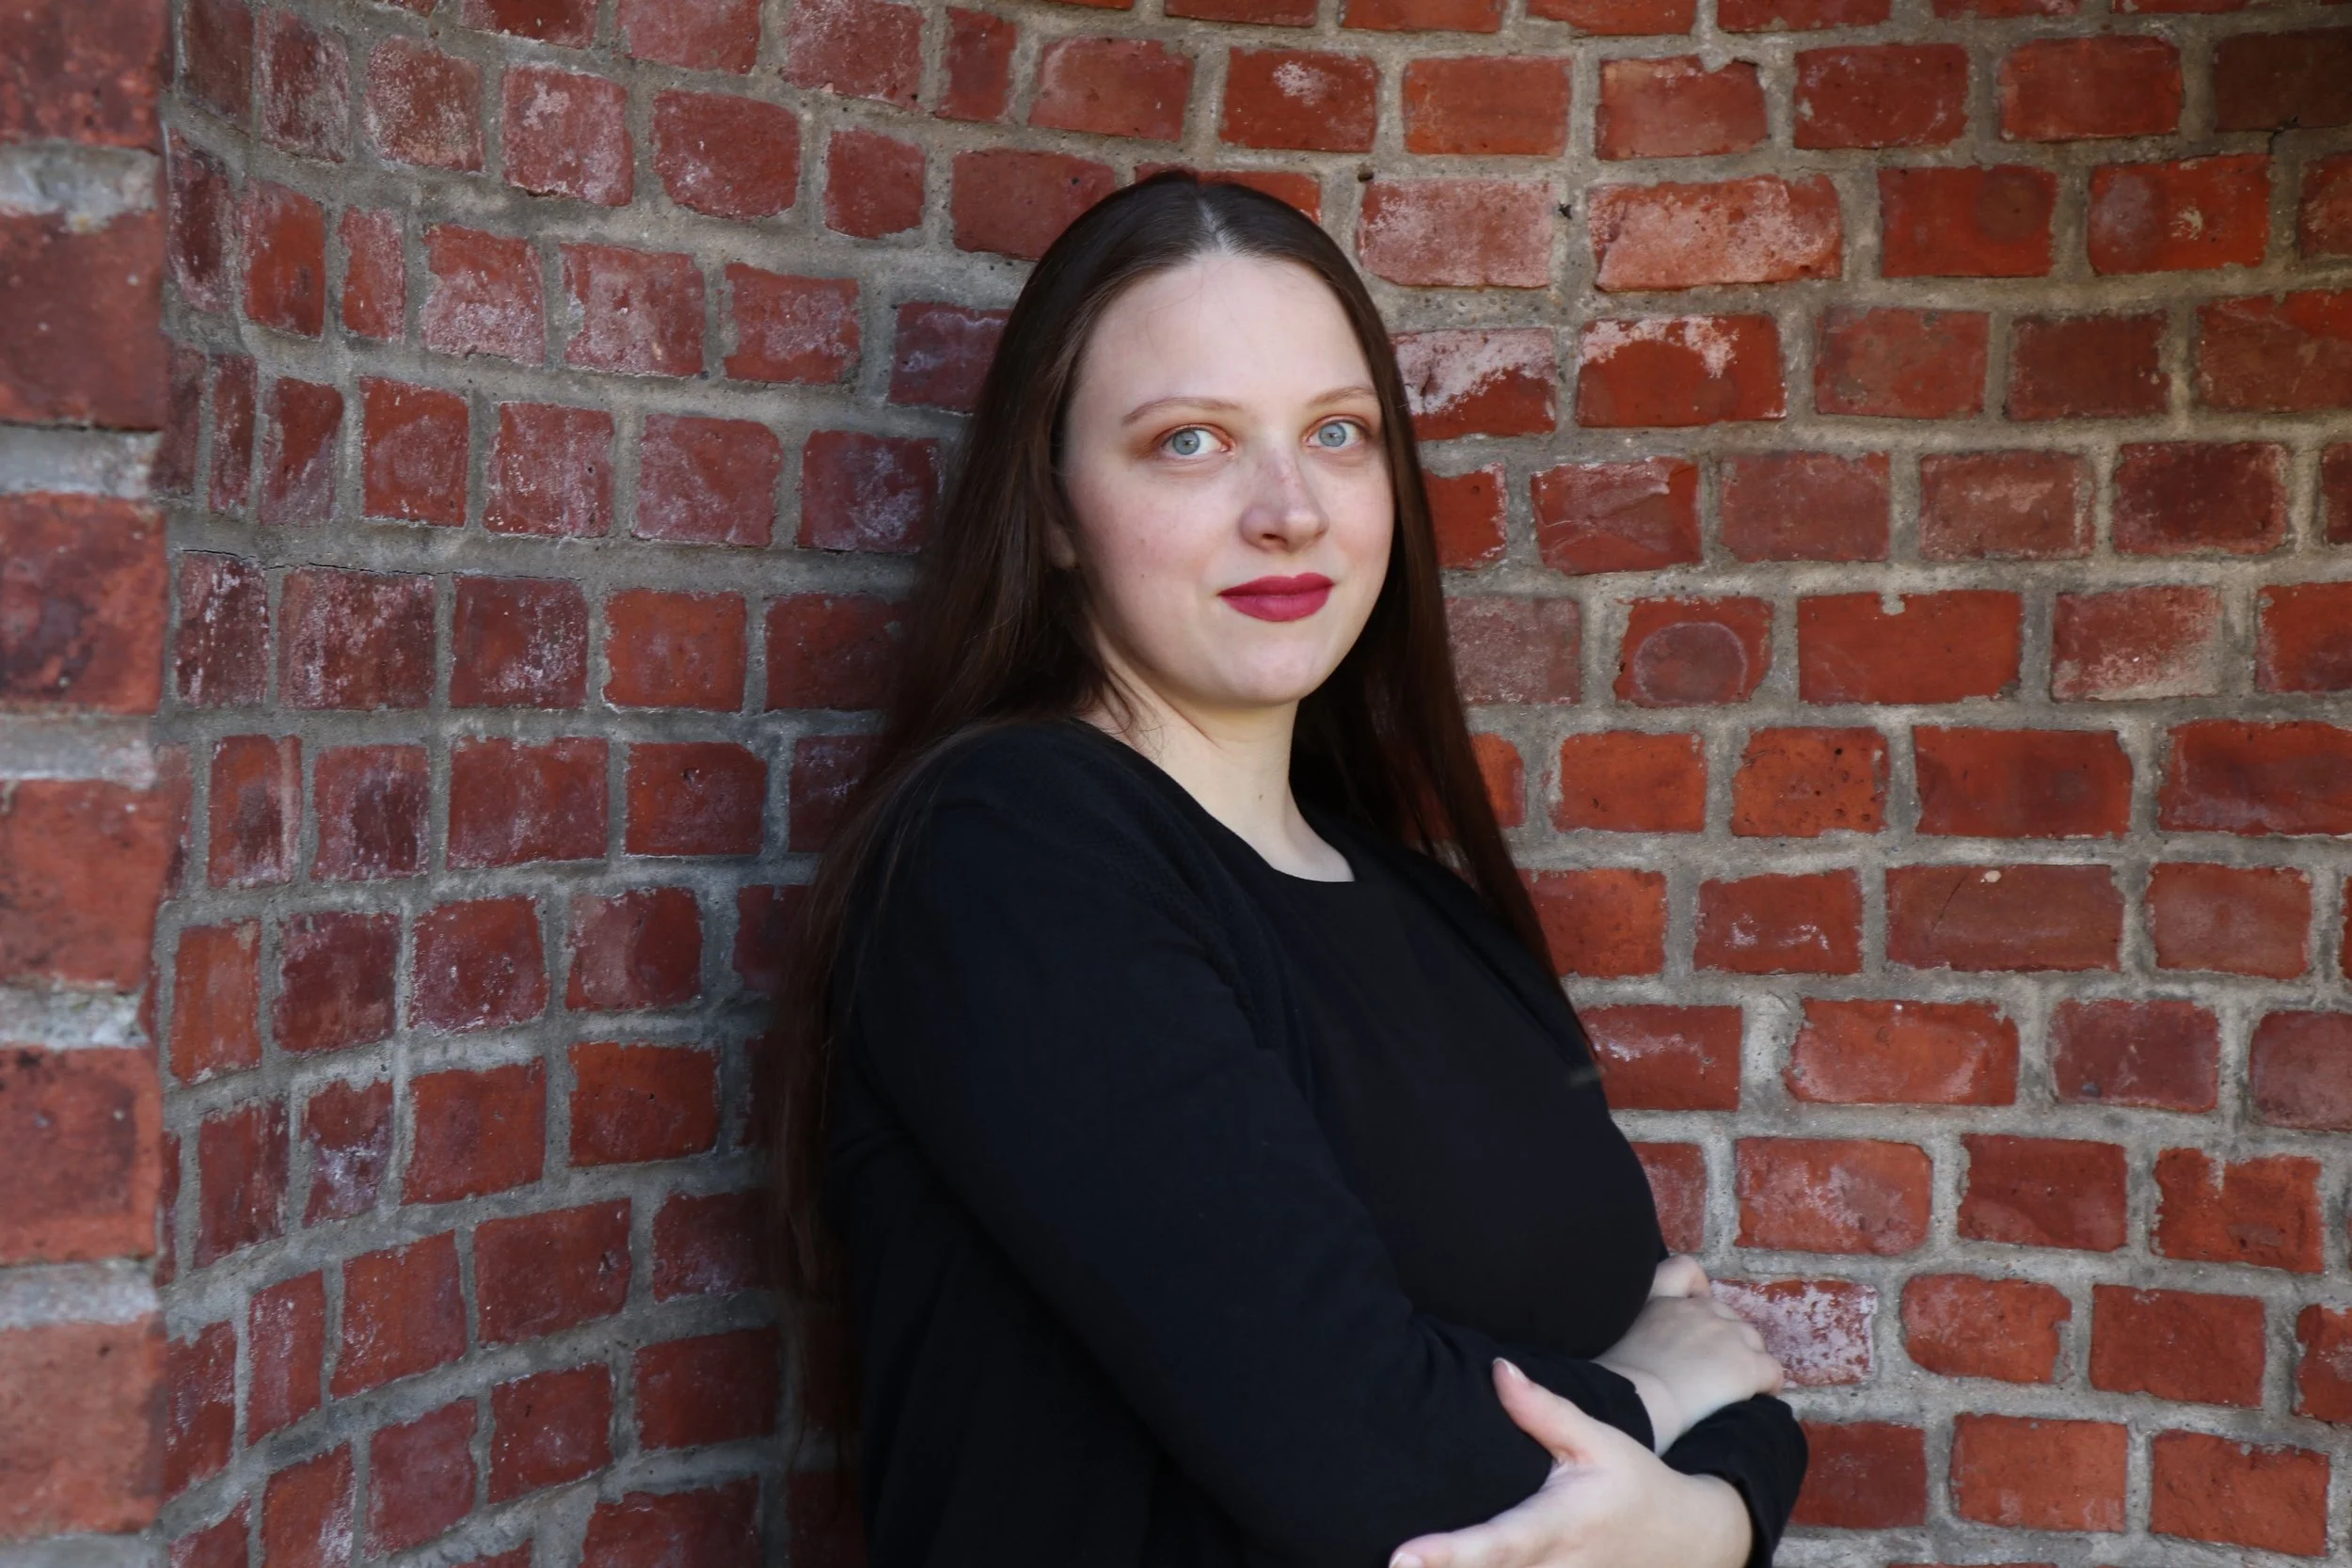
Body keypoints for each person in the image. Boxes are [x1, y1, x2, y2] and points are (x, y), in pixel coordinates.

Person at [770, 172, 1806, 1568]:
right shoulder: (1003, 853)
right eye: (1188, 440)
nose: (1289, 510)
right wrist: (1662, 1397)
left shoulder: (1439, 919)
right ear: (1058, 505)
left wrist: (1706, 1515)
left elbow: (1724, 1354)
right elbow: (1369, 1457)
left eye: (1338, 433)